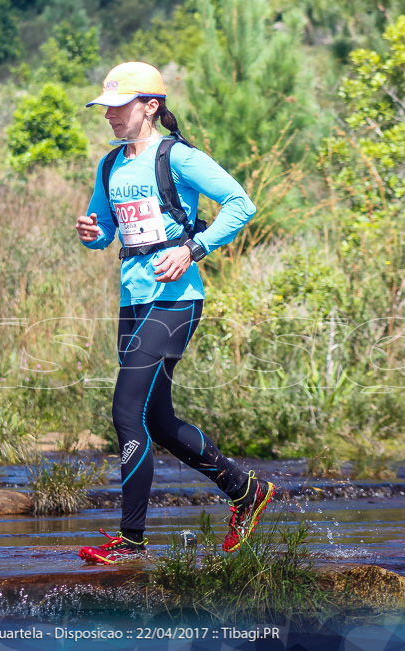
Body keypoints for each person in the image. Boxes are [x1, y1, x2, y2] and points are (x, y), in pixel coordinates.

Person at [74, 61, 274, 564]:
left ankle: (131, 540)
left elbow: (240, 204)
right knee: (157, 420)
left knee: (125, 412)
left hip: (177, 298)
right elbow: (104, 232)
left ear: (150, 106)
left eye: (119, 107)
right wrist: (92, 232)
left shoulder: (178, 157)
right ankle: (246, 492)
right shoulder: (110, 165)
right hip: (133, 299)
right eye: (106, 108)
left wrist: (194, 248)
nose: (110, 116)